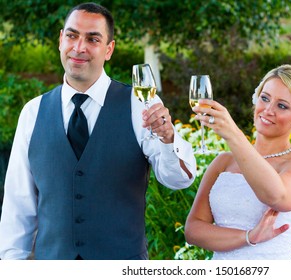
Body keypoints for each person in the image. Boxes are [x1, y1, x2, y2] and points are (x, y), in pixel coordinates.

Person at [0, 2, 196, 260]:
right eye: (72, 36)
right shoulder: (32, 112)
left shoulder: (141, 105)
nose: (79, 47)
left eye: (93, 39)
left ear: (109, 49)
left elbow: (179, 180)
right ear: (61, 40)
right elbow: (18, 205)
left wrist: (169, 139)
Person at [185, 64, 291, 259]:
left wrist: (233, 135)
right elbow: (193, 230)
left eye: (282, 105)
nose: (268, 110)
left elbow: (276, 197)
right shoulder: (223, 162)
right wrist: (248, 237)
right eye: (265, 98)